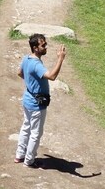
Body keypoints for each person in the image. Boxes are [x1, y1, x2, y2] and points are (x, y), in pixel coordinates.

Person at [15, 33, 66, 167]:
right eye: (43, 45)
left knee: (26, 127)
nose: (46, 47)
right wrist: (60, 59)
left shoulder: (27, 58)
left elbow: (20, 73)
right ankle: (29, 160)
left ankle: (20, 155)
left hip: (27, 99)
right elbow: (52, 76)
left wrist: (31, 83)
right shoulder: (37, 64)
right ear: (35, 48)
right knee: (36, 133)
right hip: (37, 104)